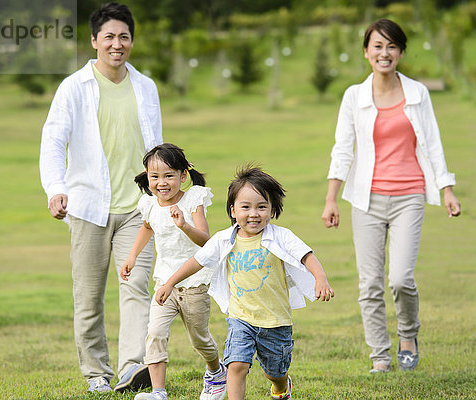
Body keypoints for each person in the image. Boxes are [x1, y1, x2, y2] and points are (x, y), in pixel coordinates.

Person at [321, 19, 461, 373]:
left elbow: (432, 143)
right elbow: (343, 149)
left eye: (392, 47)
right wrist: (331, 198)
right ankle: (380, 358)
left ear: (400, 52)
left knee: (400, 278)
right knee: (369, 283)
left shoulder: (417, 93)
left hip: (409, 196)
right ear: (367, 52)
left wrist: (446, 190)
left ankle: (409, 335)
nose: (385, 53)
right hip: (367, 199)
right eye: (378, 46)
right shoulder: (354, 96)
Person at [39, 2, 162, 393]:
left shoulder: (145, 87)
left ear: (132, 41)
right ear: (94, 41)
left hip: (137, 210)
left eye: (124, 36)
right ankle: (96, 372)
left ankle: (131, 367)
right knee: (89, 298)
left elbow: (156, 146)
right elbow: (54, 142)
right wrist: (56, 189)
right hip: (88, 207)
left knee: (136, 287)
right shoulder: (73, 88)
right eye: (108, 36)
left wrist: (166, 193)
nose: (116, 43)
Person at [156, 166, 335, 400]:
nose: (254, 213)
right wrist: (170, 283)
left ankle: (281, 386)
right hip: (241, 318)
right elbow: (197, 261)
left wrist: (320, 278)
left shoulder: (281, 236)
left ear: (272, 210)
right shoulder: (223, 239)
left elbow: (306, 256)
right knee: (236, 365)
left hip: (276, 321)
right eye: (245, 207)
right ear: (233, 210)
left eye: (262, 207)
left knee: (275, 372)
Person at [119, 143, 227, 400]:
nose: (161, 183)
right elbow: (147, 227)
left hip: (195, 283)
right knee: (154, 333)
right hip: (164, 283)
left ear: (182, 176)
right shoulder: (149, 204)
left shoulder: (193, 200)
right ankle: (158, 392)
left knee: (199, 339)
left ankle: (216, 371)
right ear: (147, 177)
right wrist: (131, 257)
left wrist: (184, 225)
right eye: (154, 177)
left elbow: (206, 241)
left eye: (169, 175)